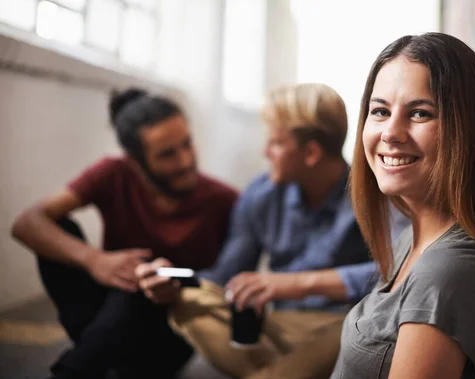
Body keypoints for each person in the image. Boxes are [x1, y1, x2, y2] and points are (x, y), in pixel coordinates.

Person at [137, 83, 391, 379]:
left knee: (362, 323)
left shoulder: (375, 194)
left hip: (346, 324)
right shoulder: (260, 195)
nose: (265, 152)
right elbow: (225, 276)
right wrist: (174, 279)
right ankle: (290, 370)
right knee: (190, 301)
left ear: (310, 152)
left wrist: (295, 284)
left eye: (276, 143)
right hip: (277, 324)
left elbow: (399, 273)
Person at [329, 33, 475, 379]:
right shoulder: (412, 238)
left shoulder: (446, 274)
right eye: (380, 111)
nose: (391, 132)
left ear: (466, 128)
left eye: (419, 113)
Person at [11, 88, 238, 379]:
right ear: (135, 161)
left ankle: (75, 369)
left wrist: (174, 281)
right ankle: (92, 358)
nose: (185, 161)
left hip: (168, 337)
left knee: (145, 273)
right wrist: (95, 260)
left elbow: (231, 280)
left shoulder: (224, 200)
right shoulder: (112, 173)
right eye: (168, 154)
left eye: (188, 144)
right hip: (104, 322)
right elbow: (27, 223)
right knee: (60, 231)